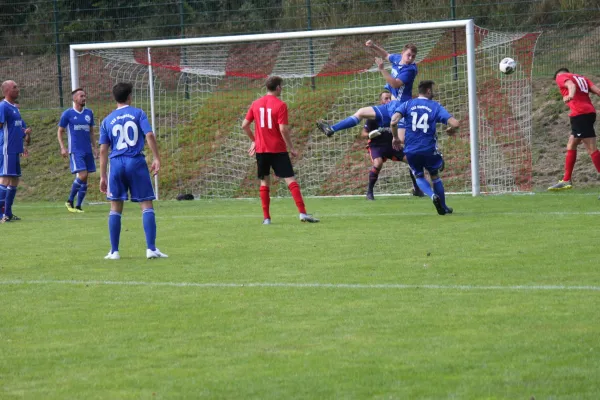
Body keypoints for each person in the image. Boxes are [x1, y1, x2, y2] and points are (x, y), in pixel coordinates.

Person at [99, 82, 167, 259]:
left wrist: (103, 175)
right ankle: (151, 248)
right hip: (135, 161)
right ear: (130, 96)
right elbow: (149, 135)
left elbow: (102, 149)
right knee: (146, 204)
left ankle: (114, 251)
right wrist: (156, 157)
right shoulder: (138, 113)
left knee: (115, 207)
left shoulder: (106, 120)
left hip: (116, 164)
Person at [242, 76, 319, 225]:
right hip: (277, 149)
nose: (281, 89)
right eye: (281, 86)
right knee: (290, 180)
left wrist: (254, 140)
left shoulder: (255, 103)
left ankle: (266, 219)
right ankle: (302, 213)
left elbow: (244, 125)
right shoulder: (281, 105)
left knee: (264, 183)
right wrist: (291, 148)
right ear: (277, 87)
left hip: (262, 150)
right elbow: (283, 128)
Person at [390, 80, 459, 215]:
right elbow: (455, 124)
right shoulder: (435, 106)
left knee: (419, 176)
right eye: (432, 90)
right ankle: (444, 207)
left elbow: (393, 121)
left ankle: (432, 196)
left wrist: (395, 137)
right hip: (428, 149)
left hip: (411, 149)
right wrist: (451, 129)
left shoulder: (408, 104)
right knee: (434, 175)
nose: (433, 93)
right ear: (428, 91)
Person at [361, 91, 423, 199]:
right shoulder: (375, 115)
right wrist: (370, 134)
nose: (388, 100)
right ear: (381, 101)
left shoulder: (397, 114)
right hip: (377, 146)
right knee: (378, 163)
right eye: (385, 98)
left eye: (390, 98)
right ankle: (369, 192)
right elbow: (363, 134)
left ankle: (417, 189)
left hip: (392, 146)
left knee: (411, 160)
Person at [548, 68, 600, 191]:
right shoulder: (582, 78)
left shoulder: (561, 77)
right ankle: (566, 180)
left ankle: (567, 180)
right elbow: (597, 91)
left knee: (592, 149)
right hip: (587, 113)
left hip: (580, 114)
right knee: (571, 144)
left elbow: (570, 85)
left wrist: (570, 95)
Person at [58, 88, 97, 212]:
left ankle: (79, 206)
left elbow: (91, 132)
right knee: (82, 174)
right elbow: (59, 131)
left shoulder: (89, 113)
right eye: (81, 96)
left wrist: (95, 147)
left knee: (85, 178)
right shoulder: (68, 114)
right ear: (75, 98)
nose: (84, 98)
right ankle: (70, 200)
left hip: (87, 150)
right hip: (76, 150)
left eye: (85, 96)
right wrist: (63, 147)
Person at [0, 80, 28, 223]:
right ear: (7, 91)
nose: (18, 89)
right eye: (15, 87)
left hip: (15, 150)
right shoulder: (3, 107)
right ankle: (0, 214)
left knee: (15, 180)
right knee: (4, 179)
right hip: (6, 149)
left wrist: (25, 135)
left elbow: (17, 128)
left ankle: (8, 213)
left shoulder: (15, 108)